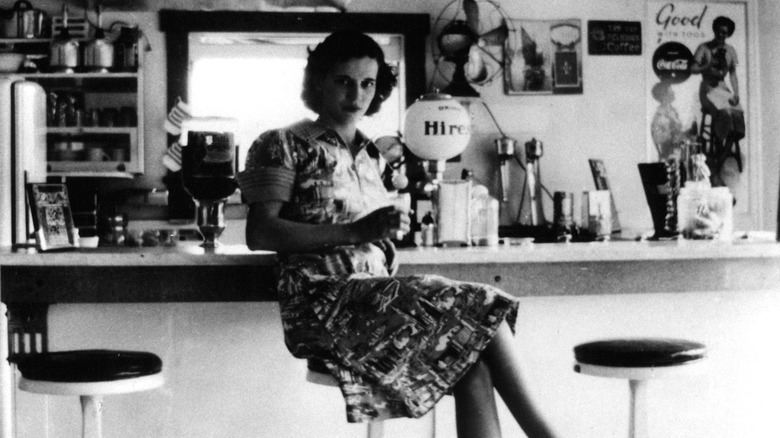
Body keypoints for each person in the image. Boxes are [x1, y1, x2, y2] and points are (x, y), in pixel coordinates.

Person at [237, 30, 558, 438]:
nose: (357, 94)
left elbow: (376, 235)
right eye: (344, 81)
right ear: (318, 81)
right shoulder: (282, 142)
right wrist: (357, 232)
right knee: (485, 307)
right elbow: (260, 233)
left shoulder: (374, 155)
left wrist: (388, 237)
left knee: (472, 360)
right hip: (322, 303)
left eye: (367, 83)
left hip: (375, 299)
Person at [690, 15, 745, 175]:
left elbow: (733, 75)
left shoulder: (731, 51)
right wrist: (706, 65)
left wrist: (736, 94)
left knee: (738, 113)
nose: (722, 35)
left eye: (725, 33)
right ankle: (720, 150)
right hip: (707, 89)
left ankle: (720, 157)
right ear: (714, 30)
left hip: (723, 88)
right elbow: (692, 69)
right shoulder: (704, 47)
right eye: (720, 31)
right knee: (726, 113)